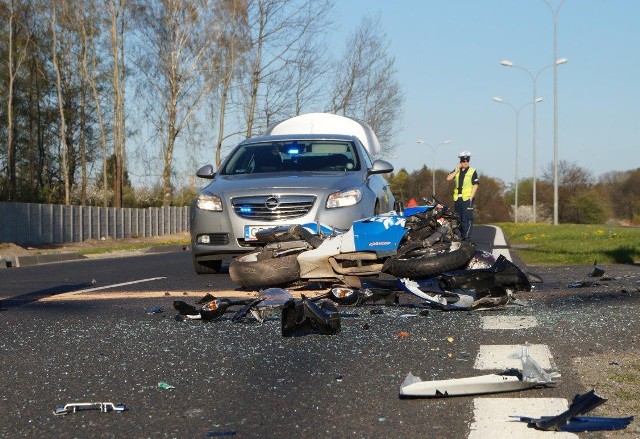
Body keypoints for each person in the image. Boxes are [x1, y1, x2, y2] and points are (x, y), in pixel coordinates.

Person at [446, 151, 479, 240]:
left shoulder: (472, 171)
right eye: (463, 161)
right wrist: (456, 170)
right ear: (460, 161)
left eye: (467, 161)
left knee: (466, 219)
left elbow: (475, 185)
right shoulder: (457, 170)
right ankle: (463, 235)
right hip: (457, 198)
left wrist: (471, 198)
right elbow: (448, 178)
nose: (465, 163)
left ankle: (467, 237)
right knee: (458, 220)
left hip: (467, 198)